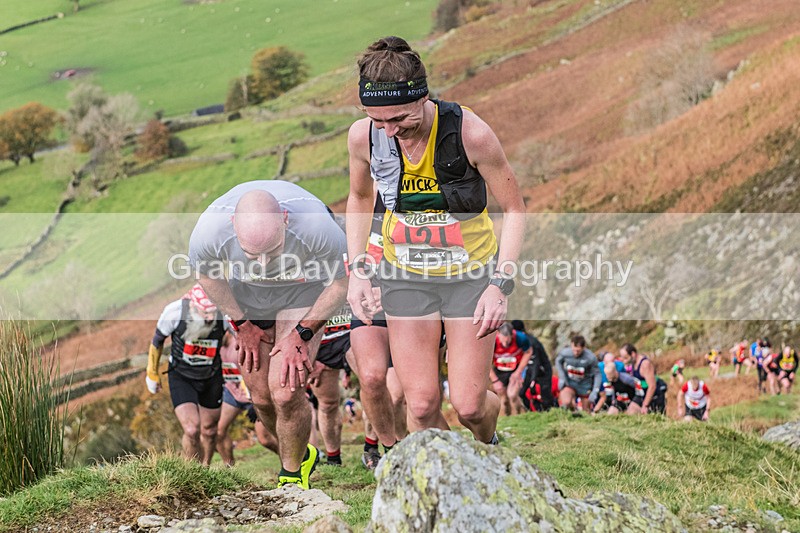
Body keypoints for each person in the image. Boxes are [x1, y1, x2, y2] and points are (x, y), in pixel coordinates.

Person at [345, 36, 525, 445]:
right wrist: (358, 271)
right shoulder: (363, 138)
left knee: (469, 406)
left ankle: (489, 447)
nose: (391, 131)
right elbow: (359, 198)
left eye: (400, 118)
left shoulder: (470, 133)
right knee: (423, 406)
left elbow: (515, 208)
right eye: (378, 120)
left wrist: (500, 285)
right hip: (404, 276)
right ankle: (466, 474)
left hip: (469, 276)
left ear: (423, 97)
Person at [189, 180, 348, 489]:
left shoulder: (316, 224)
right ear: (233, 225)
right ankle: (301, 451)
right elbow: (207, 277)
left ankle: (291, 477)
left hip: (303, 290)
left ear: (285, 220)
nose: (263, 264)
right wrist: (241, 324)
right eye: (252, 254)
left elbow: (341, 284)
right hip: (249, 296)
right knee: (261, 398)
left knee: (286, 392)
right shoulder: (209, 231)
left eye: (273, 251)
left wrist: (302, 334)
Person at [146, 284, 227, 465]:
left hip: (211, 376)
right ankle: (192, 470)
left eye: (213, 312)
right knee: (191, 430)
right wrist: (152, 373)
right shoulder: (175, 312)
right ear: (193, 305)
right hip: (181, 376)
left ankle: (205, 467)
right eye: (205, 313)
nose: (210, 318)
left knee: (210, 430)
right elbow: (157, 341)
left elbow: (243, 339)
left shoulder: (225, 313)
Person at [216, 333, 279, 466]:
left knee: (265, 439)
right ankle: (229, 468)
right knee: (217, 431)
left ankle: (294, 461)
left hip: (253, 395)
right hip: (232, 392)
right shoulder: (215, 344)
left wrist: (256, 401)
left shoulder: (239, 343)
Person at [490, 323, 532, 416]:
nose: (505, 344)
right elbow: (485, 362)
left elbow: (528, 352)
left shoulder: (520, 338)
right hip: (500, 370)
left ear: (512, 335)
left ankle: (518, 415)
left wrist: (518, 372)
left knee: (512, 395)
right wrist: (495, 380)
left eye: (508, 341)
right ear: (498, 334)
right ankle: (507, 418)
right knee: (504, 399)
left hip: (516, 368)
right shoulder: (492, 341)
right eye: (503, 341)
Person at [554, 335, 601, 413]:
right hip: (570, 383)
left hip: (584, 386)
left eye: (578, 351)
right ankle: (573, 409)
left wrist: (595, 390)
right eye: (574, 350)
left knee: (586, 412)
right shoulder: (565, 353)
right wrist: (562, 377)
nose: (575, 353)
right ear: (571, 345)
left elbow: (597, 374)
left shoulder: (590, 357)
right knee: (566, 402)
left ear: (583, 348)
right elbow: (558, 362)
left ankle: (581, 414)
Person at [618, 343, 659, 415]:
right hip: (641, 394)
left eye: (626, 358)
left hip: (653, 395)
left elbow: (652, 386)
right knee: (630, 413)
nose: (624, 361)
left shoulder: (645, 364)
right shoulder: (633, 363)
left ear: (633, 354)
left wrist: (645, 405)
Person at [519, 330, 555, 412]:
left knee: (545, 396)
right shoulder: (522, 341)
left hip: (543, 371)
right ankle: (531, 412)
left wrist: (533, 380)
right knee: (522, 393)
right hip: (530, 370)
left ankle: (550, 412)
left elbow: (536, 363)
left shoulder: (532, 343)